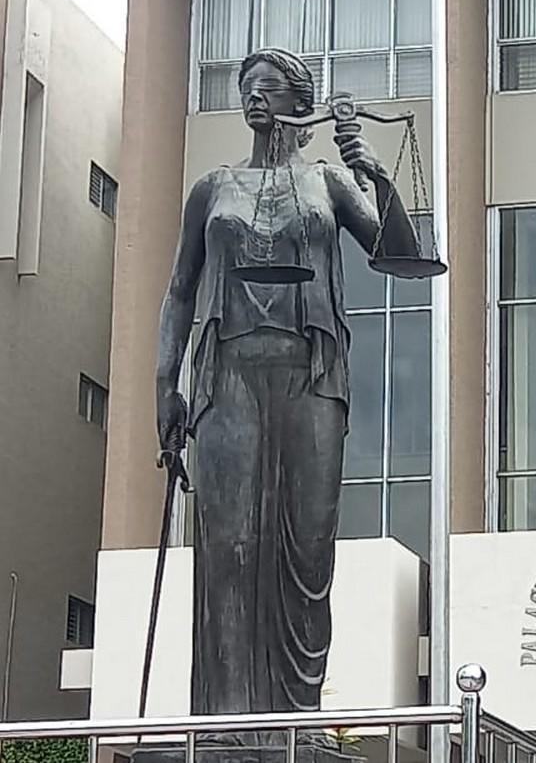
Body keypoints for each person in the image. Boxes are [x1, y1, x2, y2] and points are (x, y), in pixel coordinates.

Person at [154, 47, 419, 719]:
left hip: (311, 375)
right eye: (248, 87)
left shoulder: (328, 182)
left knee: (307, 544)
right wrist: (165, 384)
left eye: (269, 88)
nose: (255, 97)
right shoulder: (212, 188)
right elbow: (180, 290)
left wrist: (374, 176)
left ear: (301, 105)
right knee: (228, 545)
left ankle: (297, 719)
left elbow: (400, 256)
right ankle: (224, 720)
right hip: (227, 375)